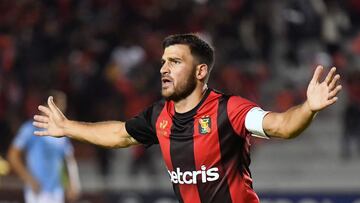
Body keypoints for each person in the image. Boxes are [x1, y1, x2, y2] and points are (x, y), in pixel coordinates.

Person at [33, 34, 342, 203]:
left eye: (175, 62)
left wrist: (308, 108)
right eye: (164, 62)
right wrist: (67, 127)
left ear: (200, 71)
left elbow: (282, 126)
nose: (163, 69)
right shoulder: (158, 116)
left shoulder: (229, 110)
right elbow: (120, 135)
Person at [8, 90, 81, 203]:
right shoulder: (30, 128)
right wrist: (29, 179)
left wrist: (73, 182)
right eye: (57, 106)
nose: (61, 110)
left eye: (62, 106)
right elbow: (13, 155)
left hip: (56, 191)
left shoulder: (62, 133)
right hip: (37, 191)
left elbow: (68, 159)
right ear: (46, 106)